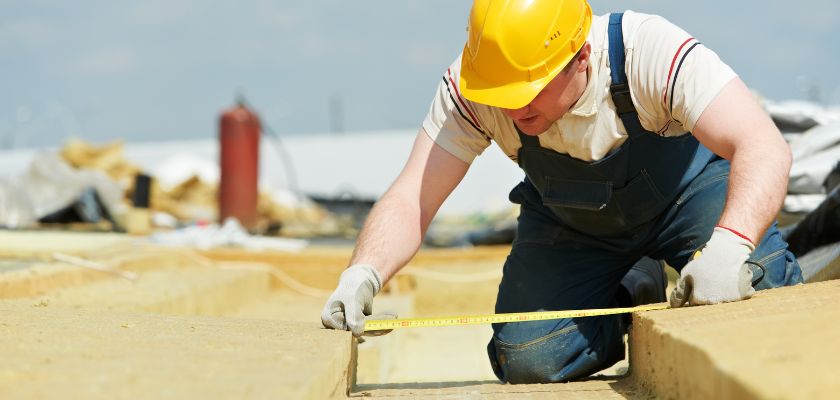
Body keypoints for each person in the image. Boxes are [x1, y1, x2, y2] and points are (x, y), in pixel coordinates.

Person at [321, 0, 803, 384]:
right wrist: (362, 274)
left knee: (759, 284)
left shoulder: (647, 51)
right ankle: (635, 285)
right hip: (574, 223)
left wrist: (729, 247)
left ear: (582, 56)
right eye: (502, 94)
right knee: (529, 357)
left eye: (529, 89)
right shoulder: (476, 87)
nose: (513, 108)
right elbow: (413, 196)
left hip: (686, 198)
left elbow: (763, 145)